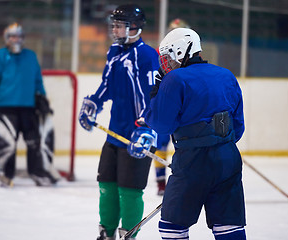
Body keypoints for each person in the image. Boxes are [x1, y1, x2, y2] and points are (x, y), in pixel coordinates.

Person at [145, 28, 246, 239]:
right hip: (229, 160)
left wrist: (156, 92)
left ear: (181, 51)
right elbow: (238, 128)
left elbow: (161, 125)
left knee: (172, 227)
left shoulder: (174, 80)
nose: (166, 64)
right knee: (229, 226)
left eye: (168, 57)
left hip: (192, 162)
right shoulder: (227, 75)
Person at [78, 4, 159, 240]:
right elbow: (107, 85)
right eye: (113, 25)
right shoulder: (114, 51)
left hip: (138, 135)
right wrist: (94, 102)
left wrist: (146, 128)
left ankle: (128, 236)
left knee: (130, 190)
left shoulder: (147, 55)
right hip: (115, 133)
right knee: (107, 187)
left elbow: (153, 95)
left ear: (134, 27)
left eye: (119, 25)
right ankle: (106, 233)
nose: (114, 30)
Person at [0, 22, 60, 187]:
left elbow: (37, 81)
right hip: (4, 108)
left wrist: (41, 98)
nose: (16, 40)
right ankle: (4, 173)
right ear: (6, 38)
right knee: (7, 142)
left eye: (19, 36)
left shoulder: (30, 56)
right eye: (12, 36)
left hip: (28, 107)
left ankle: (38, 172)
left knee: (35, 142)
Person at [153, 18, 191, 196]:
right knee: (161, 143)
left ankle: (185, 176)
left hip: (184, 106)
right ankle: (161, 182)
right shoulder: (160, 53)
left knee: (185, 142)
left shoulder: (190, 58)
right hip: (166, 103)